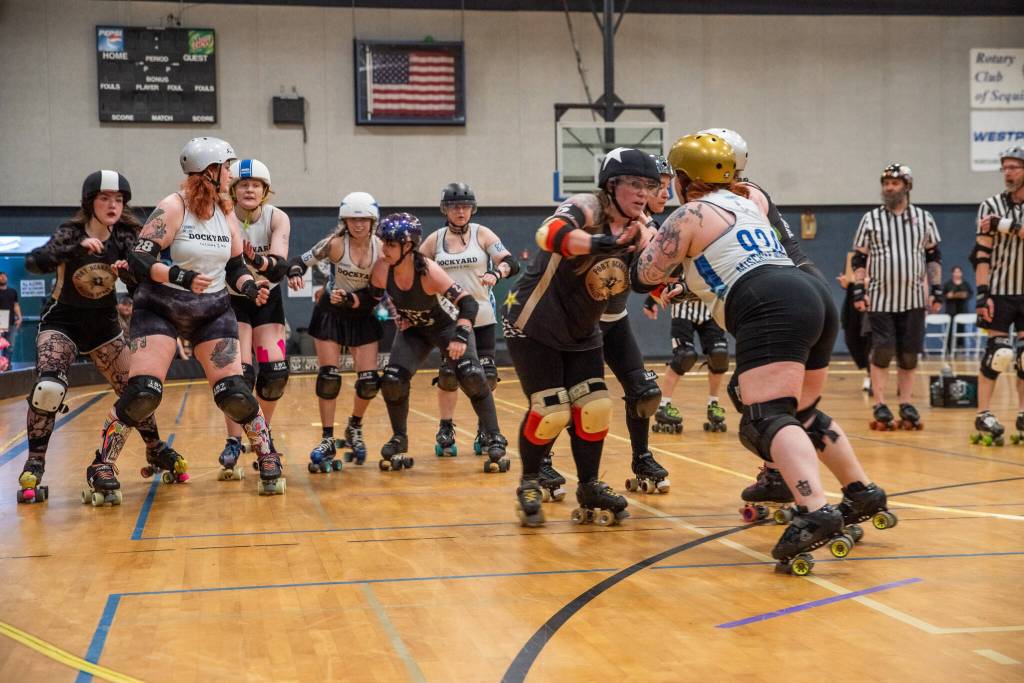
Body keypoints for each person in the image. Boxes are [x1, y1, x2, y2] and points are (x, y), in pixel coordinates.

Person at [633, 133, 895, 574]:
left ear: (683, 178)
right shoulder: (747, 201)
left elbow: (644, 275)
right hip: (810, 293)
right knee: (803, 414)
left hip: (768, 301)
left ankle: (815, 510)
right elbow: (729, 259)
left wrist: (640, 237)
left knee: (763, 419)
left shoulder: (689, 213)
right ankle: (861, 492)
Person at [86, 137, 286, 501]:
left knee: (234, 392)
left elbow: (235, 266)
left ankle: (266, 453)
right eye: (227, 167)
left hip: (212, 311)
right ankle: (102, 463)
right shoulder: (174, 206)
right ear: (210, 171)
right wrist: (179, 275)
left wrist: (249, 286)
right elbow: (140, 258)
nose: (231, 175)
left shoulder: (226, 212)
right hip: (161, 308)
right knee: (143, 392)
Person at [504, 147, 660, 526]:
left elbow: (647, 279)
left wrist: (664, 272)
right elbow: (548, 234)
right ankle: (529, 481)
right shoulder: (588, 206)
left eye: (648, 185)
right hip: (534, 323)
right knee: (551, 410)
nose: (642, 193)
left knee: (595, 407)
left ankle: (589, 486)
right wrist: (601, 243)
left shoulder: (642, 228)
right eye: (634, 184)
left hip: (583, 328)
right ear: (612, 185)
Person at [17, 170, 181, 504]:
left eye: (118, 199)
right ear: (90, 202)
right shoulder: (71, 231)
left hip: (104, 325)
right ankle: (35, 461)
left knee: (136, 392)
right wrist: (71, 249)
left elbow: (143, 286)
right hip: (62, 321)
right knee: (49, 388)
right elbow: (34, 262)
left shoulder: (126, 236)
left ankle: (154, 448)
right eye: (105, 198)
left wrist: (129, 274)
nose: (112, 205)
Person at [364, 212, 508, 473]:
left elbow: (469, 304)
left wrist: (461, 336)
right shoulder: (382, 268)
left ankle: (494, 436)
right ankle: (399, 438)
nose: (384, 250)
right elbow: (369, 300)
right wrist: (345, 301)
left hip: (446, 327)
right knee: (393, 380)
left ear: (408, 247)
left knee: (471, 375)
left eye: (390, 245)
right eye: (383, 243)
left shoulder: (428, 271)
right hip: (416, 330)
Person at [286, 191, 384, 470]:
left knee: (368, 381)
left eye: (364, 220)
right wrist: (294, 272)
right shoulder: (335, 244)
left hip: (361, 312)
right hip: (331, 311)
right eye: (353, 219)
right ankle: (327, 437)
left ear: (372, 221)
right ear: (345, 221)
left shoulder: (381, 249)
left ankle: (354, 426)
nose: (358, 225)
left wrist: (354, 299)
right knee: (329, 378)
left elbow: (379, 291)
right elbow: (300, 260)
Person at [420, 182, 518, 458]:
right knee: (449, 375)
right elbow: (416, 268)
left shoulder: (482, 233)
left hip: (482, 315)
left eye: (465, 206)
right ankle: (446, 427)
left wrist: (497, 273)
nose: (461, 211)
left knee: (486, 376)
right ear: (445, 210)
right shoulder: (435, 240)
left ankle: (486, 428)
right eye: (455, 207)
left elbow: (510, 261)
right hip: (449, 319)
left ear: (472, 209)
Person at [592, 154, 670, 496]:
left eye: (659, 186)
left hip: (615, 321)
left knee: (644, 391)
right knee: (578, 402)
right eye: (657, 187)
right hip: (579, 327)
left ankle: (642, 458)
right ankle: (547, 463)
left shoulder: (653, 226)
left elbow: (647, 277)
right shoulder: (595, 218)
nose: (662, 194)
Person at [215, 159, 291, 479]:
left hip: (267, 298)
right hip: (235, 299)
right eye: (243, 184)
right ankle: (234, 440)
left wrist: (256, 260)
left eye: (255, 185)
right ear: (233, 189)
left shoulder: (277, 217)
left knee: (275, 375)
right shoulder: (223, 216)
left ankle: (262, 436)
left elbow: (279, 267)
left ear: (265, 190)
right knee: (240, 376)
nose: (249, 189)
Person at [851, 162, 942, 430]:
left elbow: (933, 256)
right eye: (886, 184)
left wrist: (936, 290)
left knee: (909, 354)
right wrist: (858, 289)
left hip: (914, 298)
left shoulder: (924, 218)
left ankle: (905, 402)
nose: (889, 188)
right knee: (883, 350)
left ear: (907, 186)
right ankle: (880, 403)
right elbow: (859, 258)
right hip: (880, 298)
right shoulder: (871, 219)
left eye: (895, 183)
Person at [969, 145, 1024, 445]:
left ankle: (1023, 413)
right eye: (1005, 168)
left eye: (1014, 167)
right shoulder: (989, 205)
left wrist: (1004, 225)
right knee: (998, 354)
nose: (1008, 173)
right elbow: (982, 255)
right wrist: (982, 295)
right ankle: (983, 413)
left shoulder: (997, 217)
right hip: (1000, 292)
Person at [942, 266, 972, 355]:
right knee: (950, 330)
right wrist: (948, 296)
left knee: (962, 329)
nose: (957, 273)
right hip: (951, 310)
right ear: (952, 273)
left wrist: (963, 295)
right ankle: (950, 349)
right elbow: (943, 296)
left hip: (963, 311)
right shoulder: (948, 284)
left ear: (961, 273)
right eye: (955, 272)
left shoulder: (965, 284)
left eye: (959, 272)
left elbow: (970, 294)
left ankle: (961, 348)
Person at [0, 271, 22, 371]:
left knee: (10, 347)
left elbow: (16, 305)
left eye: (4, 276)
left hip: (11, 322)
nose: (3, 278)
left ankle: (7, 367)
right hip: (0, 321)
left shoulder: (13, 291)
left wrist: (20, 317)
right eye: (0, 277)